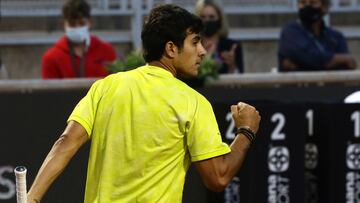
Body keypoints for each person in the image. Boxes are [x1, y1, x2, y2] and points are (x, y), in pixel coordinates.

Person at [27, 4, 261, 203]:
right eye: (195, 42)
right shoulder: (193, 102)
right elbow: (218, 178)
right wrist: (245, 131)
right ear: (171, 48)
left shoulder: (106, 86)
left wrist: (31, 199)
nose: (202, 51)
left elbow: (66, 142)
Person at [41, 0, 116, 79]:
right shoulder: (51, 58)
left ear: (90, 22)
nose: (77, 27)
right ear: (63, 24)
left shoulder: (106, 51)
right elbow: (49, 90)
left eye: (81, 23)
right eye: (72, 24)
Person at [278, 0, 356, 71]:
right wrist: (343, 59)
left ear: (325, 7)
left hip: (331, 86)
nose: (307, 6)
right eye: (302, 3)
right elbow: (309, 58)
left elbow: (346, 67)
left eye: (313, 3)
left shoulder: (336, 37)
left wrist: (303, 65)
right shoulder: (290, 32)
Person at [194, 0, 244, 74]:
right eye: (203, 17)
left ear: (220, 19)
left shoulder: (231, 47)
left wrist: (232, 65)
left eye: (212, 17)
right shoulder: (192, 47)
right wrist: (206, 58)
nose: (207, 20)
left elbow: (241, 80)